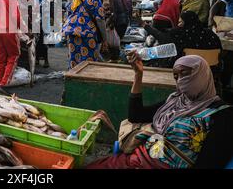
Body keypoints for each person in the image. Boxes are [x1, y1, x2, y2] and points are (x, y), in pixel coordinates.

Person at [87, 53, 233, 169]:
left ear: (202, 75)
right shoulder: (176, 101)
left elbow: (209, 164)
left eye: (185, 74)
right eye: (176, 76)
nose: (180, 81)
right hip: (141, 158)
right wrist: (138, 75)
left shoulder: (222, 114)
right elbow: (136, 115)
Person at [62, 0, 107, 69]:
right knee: (88, 59)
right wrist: (104, 38)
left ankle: (73, 77)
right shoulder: (95, 0)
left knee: (74, 57)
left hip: (72, 32)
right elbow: (100, 20)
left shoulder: (75, 0)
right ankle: (87, 77)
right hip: (88, 33)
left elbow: (67, 16)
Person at [143, 11, 222, 60]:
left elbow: (163, 38)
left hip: (186, 68)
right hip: (211, 69)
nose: (178, 24)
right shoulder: (210, 34)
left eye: (180, 22)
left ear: (186, 22)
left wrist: (146, 26)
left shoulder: (180, 34)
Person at [31, 0, 49, 68]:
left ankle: (46, 61)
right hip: (35, 24)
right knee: (36, 43)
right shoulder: (33, 1)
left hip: (43, 24)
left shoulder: (44, 1)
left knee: (44, 43)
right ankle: (37, 59)